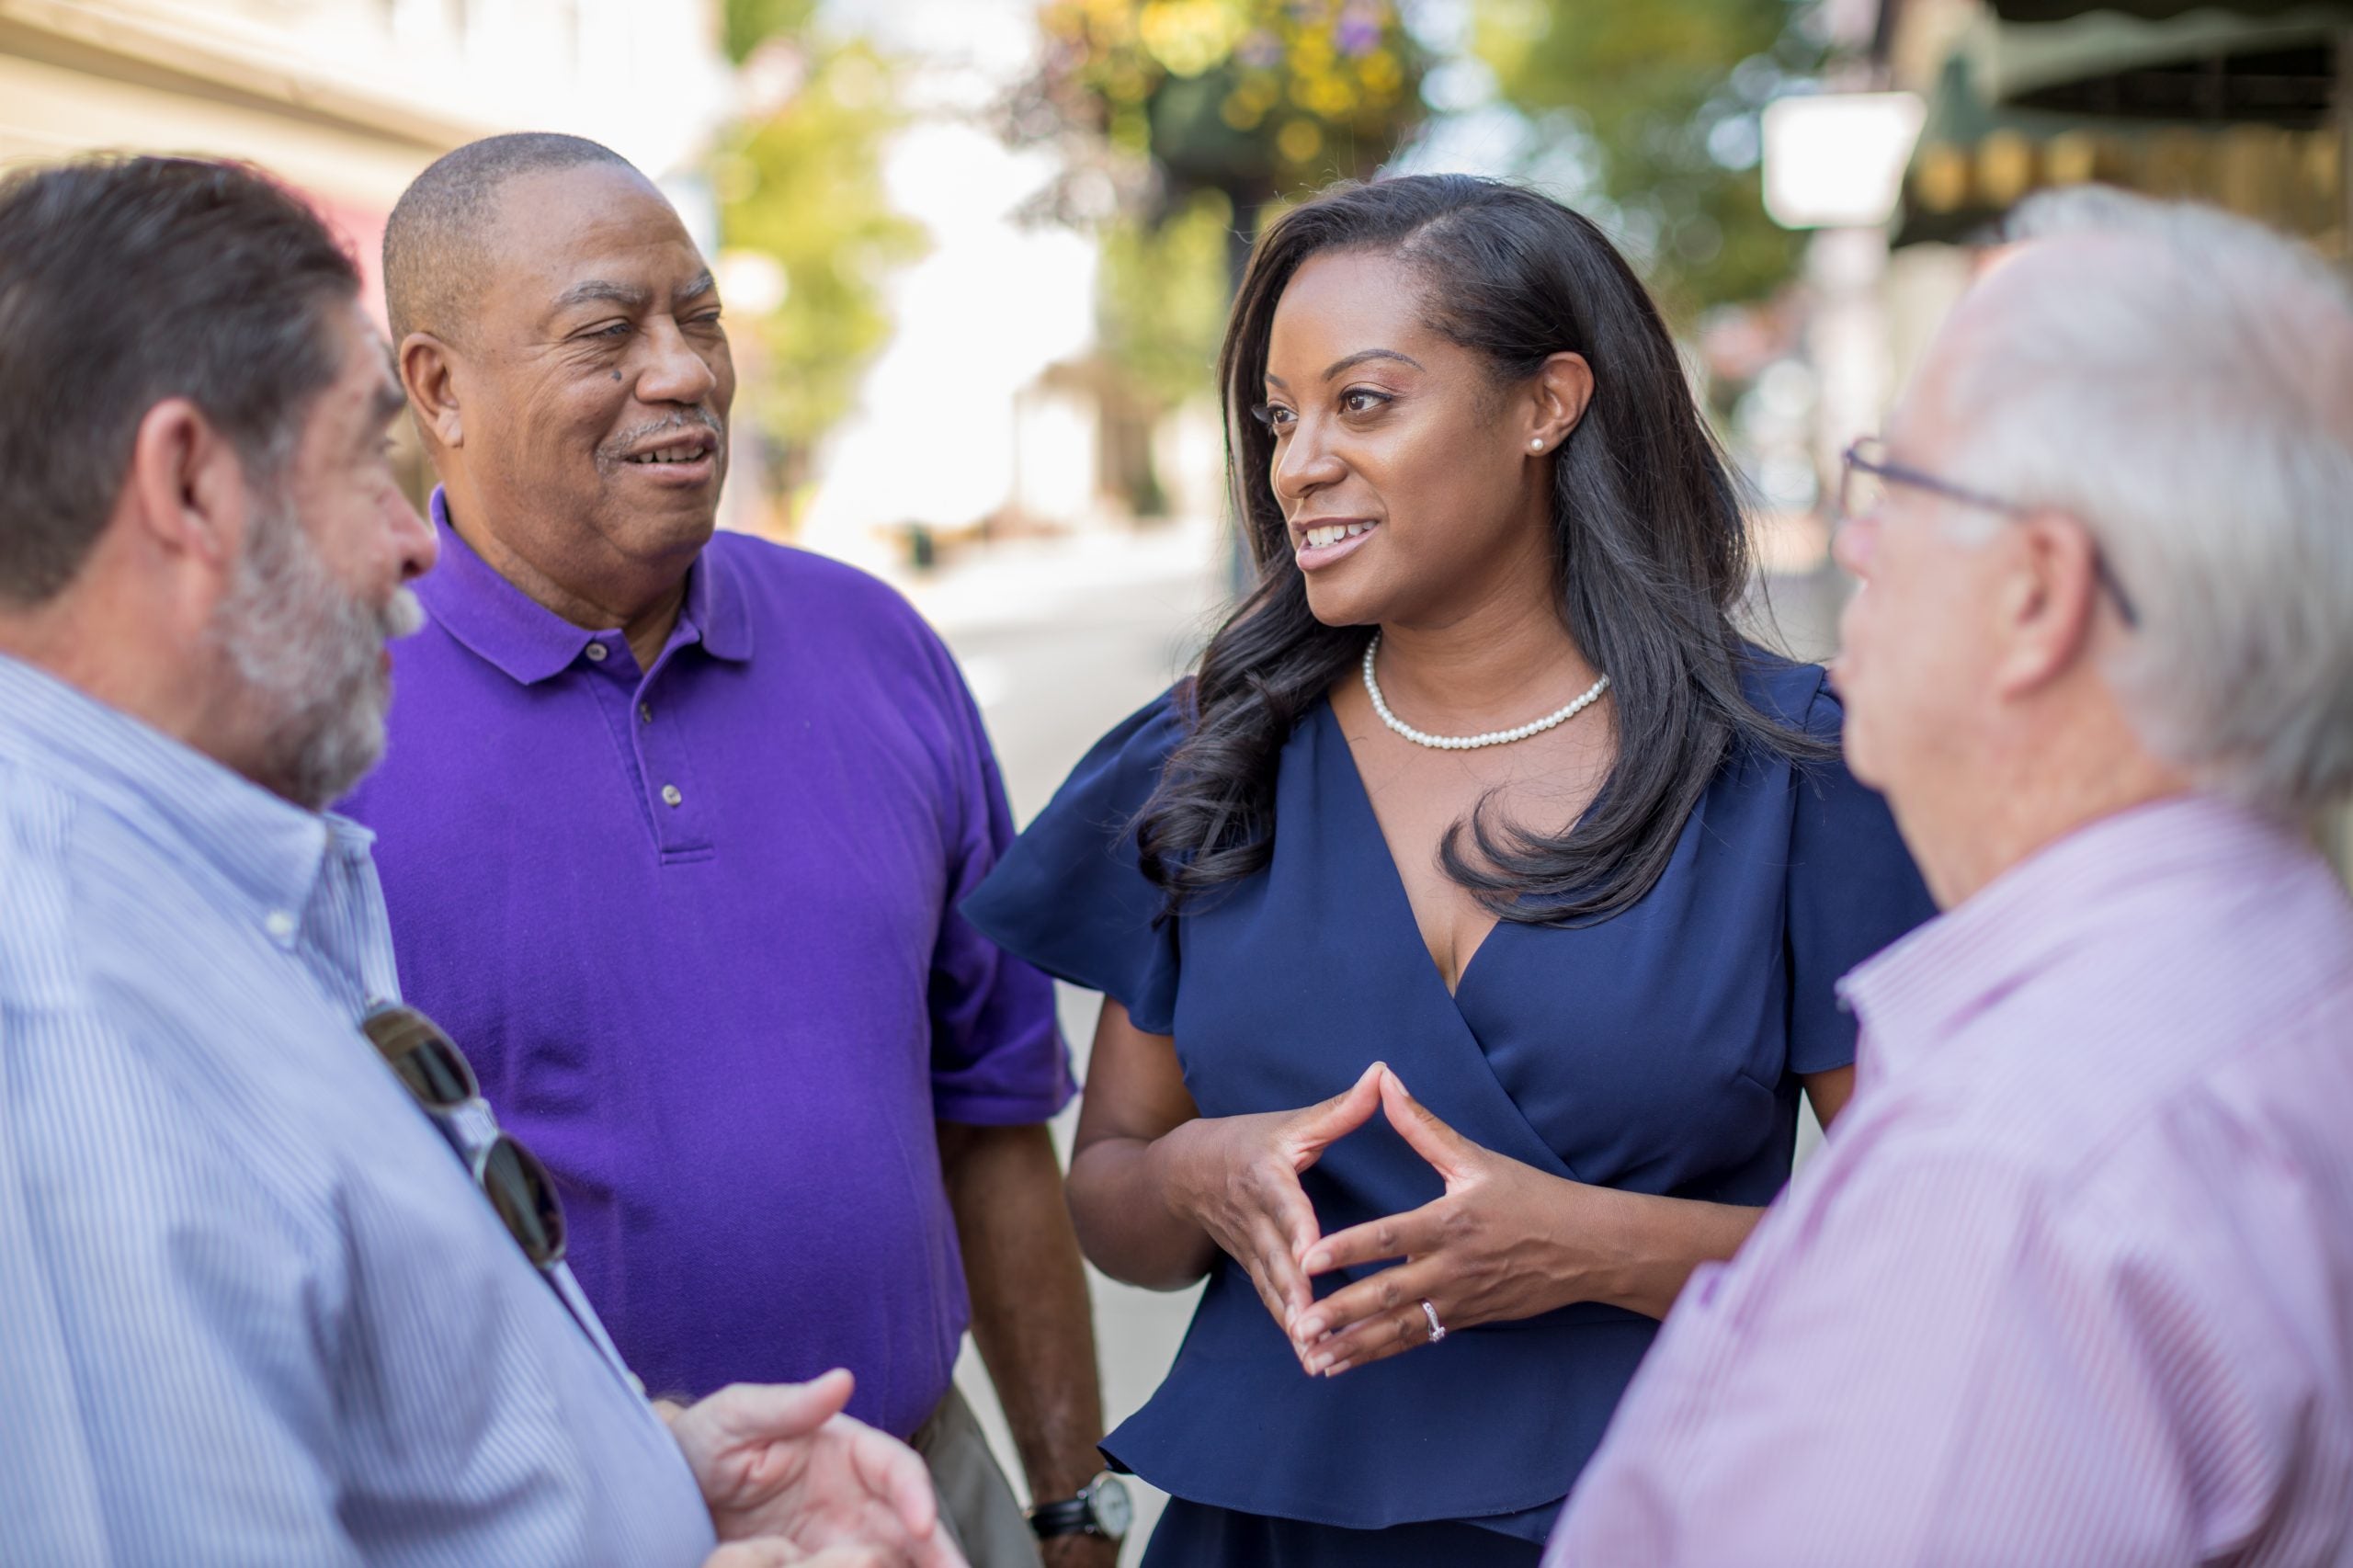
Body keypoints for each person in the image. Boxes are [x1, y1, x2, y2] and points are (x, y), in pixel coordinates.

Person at [960, 173, 1937, 1565]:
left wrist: (1591, 1248)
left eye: (1364, 402)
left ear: (1547, 403)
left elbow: (1934, 1245)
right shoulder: (1209, 759)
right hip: (1267, 1532)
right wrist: (1199, 1174)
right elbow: (1113, 1192)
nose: (1299, 462)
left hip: (1674, 1516)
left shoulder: (1792, 772)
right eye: (1280, 417)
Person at [0, 153, 960, 1568]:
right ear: (190, 485)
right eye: (359, 460)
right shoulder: (71, 1007)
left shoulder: (213, 874)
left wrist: (654, 1478)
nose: (409, 540)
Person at [336, 134, 1113, 1568]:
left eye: (696, 316)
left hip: (922, 1495)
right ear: (436, 385)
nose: (684, 371)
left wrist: (1068, 1508)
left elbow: (993, 1112)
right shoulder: (326, 722)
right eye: (605, 331)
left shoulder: (878, 646)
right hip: (552, 1534)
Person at [1547, 190, 2353, 1564]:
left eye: (1899, 484)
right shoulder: (2288, 970)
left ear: (2038, 594)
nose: (1854, 542)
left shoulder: (2015, 1180)